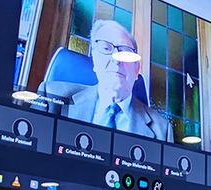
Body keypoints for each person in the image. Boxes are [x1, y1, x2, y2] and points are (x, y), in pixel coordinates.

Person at [40, 20, 173, 142]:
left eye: (125, 52)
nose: (116, 59)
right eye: (106, 49)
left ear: (136, 69)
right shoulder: (50, 96)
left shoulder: (163, 130)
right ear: (95, 60)